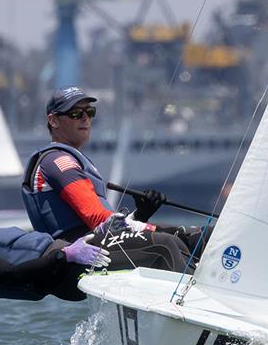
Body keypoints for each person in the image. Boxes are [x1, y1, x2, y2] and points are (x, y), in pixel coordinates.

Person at [21, 86, 210, 256]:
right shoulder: (59, 161)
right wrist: (151, 228)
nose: (85, 118)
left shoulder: (67, 158)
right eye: (75, 113)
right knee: (177, 239)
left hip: (100, 243)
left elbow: (106, 226)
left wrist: (140, 214)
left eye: (89, 111)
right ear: (53, 121)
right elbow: (97, 219)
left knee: (197, 236)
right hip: (84, 252)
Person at [0, 184, 194, 302]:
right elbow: (10, 274)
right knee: (162, 248)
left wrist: (136, 217)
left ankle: (212, 289)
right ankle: (190, 306)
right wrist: (65, 256)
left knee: (172, 239)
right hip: (66, 271)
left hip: (75, 253)